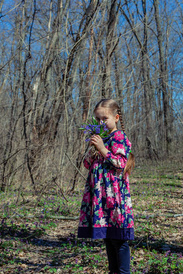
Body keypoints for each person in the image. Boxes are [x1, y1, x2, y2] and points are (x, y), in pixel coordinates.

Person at [78, 99, 135, 274]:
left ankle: (124, 271)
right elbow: (87, 164)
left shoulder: (119, 137)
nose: (101, 122)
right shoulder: (101, 138)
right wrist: (92, 148)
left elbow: (120, 163)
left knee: (119, 238)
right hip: (100, 196)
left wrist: (103, 149)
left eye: (105, 118)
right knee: (109, 238)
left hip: (114, 196)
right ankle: (113, 271)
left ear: (116, 117)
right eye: (97, 119)